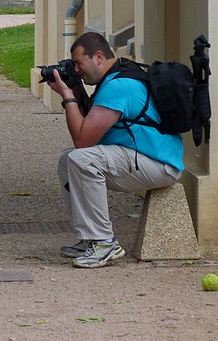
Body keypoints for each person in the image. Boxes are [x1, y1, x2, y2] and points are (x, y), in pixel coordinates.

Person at [44, 32, 184, 268]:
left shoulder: (119, 86)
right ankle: (89, 237)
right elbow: (87, 125)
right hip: (142, 158)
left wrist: (67, 97)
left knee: (81, 158)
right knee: (67, 160)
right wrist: (76, 91)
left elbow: (83, 140)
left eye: (79, 63)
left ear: (98, 56)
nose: (76, 69)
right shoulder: (114, 76)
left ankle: (104, 241)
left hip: (159, 164)